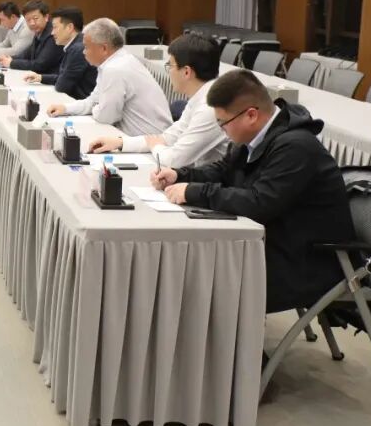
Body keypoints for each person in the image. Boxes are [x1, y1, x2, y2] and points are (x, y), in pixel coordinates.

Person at [151, 69, 353, 313]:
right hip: (272, 244)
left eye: (223, 123)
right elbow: (223, 170)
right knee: (189, 264)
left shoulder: (296, 147)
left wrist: (193, 192)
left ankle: (227, 338)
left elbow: (259, 203)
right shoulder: (258, 136)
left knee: (196, 275)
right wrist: (180, 175)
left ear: (251, 115)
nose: (222, 130)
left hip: (304, 262)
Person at [89, 32, 228, 167]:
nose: (169, 72)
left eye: (170, 66)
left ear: (186, 72)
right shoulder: (200, 97)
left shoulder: (210, 108)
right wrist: (120, 143)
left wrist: (155, 146)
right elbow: (167, 138)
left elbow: (175, 159)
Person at [46, 17, 171, 136]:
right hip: (136, 136)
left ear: (104, 49)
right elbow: (93, 101)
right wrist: (65, 108)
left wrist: (96, 107)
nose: (83, 52)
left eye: (86, 47)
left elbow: (106, 117)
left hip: (149, 141)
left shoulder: (115, 69)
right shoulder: (115, 62)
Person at [22, 6, 96, 100]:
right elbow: (63, 77)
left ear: (69, 27)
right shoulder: (75, 44)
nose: (52, 33)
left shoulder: (77, 49)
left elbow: (61, 86)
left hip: (82, 102)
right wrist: (41, 77)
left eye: (55, 27)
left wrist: (54, 79)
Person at [0, 0, 63, 75]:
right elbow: (27, 54)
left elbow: (40, 65)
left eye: (35, 18)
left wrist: (11, 63)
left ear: (46, 17)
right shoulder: (39, 31)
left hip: (50, 78)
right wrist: (10, 59)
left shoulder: (52, 34)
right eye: (28, 20)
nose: (32, 23)